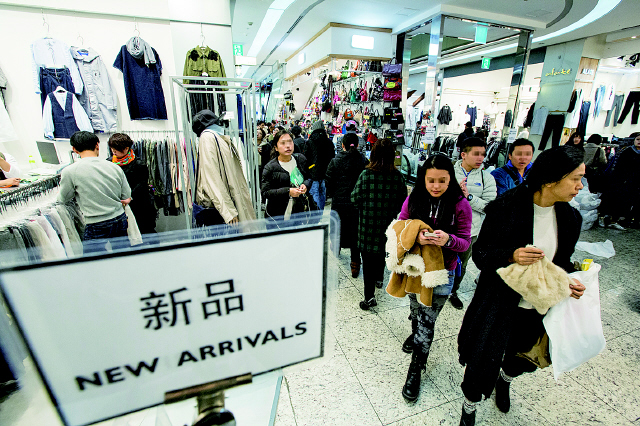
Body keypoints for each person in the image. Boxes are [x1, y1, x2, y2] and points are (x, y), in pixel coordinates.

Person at [457, 145, 586, 426]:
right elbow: (480, 254)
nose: (580, 186)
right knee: (481, 361)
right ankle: (469, 407)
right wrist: (510, 255)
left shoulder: (570, 219)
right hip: (498, 304)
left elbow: (561, 262)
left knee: (522, 356)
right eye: (575, 178)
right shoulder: (506, 208)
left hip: (535, 307)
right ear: (551, 179)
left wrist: (569, 281)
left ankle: (505, 380)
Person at [397, 154, 472, 403]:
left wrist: (448, 240)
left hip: (442, 272)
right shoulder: (414, 197)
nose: (436, 186)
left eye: (442, 180)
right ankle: (416, 337)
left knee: (427, 321)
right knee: (416, 311)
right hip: (415, 268)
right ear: (423, 179)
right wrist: (414, 236)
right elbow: (400, 225)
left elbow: (464, 242)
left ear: (451, 178)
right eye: (431, 180)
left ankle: (416, 367)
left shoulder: (461, 205)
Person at [351, 139, 407, 310]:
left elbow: (354, 199)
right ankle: (380, 279)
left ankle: (369, 298)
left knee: (367, 262)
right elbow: (403, 203)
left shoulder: (366, 175)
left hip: (367, 227)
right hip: (388, 227)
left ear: (373, 154)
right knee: (383, 253)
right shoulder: (398, 177)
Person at [58, 131, 131, 254]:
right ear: (97, 145)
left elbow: (62, 199)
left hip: (96, 222)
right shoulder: (114, 166)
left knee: (94, 262)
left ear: (74, 149)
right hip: (119, 218)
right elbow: (126, 195)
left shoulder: (70, 171)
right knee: (123, 256)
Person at [450, 138, 497, 310]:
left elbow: (489, 207)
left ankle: (453, 291)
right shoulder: (448, 172)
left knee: (461, 263)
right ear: (463, 154)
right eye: (476, 154)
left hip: (469, 232)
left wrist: (469, 197)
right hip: (445, 229)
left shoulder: (487, 178)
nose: (481, 158)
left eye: (483, 154)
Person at [192, 110, 256, 226]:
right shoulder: (207, 137)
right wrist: (228, 211)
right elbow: (212, 177)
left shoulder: (217, 137)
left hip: (228, 201)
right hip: (219, 209)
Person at [326, 133, 368, 278]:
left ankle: (336, 249)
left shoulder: (334, 161)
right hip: (357, 204)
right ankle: (355, 265)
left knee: (337, 229)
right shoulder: (363, 160)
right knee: (355, 233)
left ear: (342, 145)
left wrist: (334, 195)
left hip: (339, 203)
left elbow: (329, 182)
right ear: (357, 145)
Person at [108, 133, 157, 236]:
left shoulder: (139, 164)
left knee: (145, 231)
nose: (114, 152)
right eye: (112, 149)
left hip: (139, 205)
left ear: (126, 148)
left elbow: (142, 185)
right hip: (118, 204)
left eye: (116, 150)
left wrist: (128, 197)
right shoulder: (109, 163)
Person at [261, 130, 312, 223]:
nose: (288, 146)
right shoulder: (270, 167)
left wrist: (305, 185)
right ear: (276, 147)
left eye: (290, 142)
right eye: (283, 143)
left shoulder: (300, 159)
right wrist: (288, 191)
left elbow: (308, 177)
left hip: (298, 212)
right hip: (277, 216)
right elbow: (265, 192)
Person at [600, 132, 640, 229]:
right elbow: (618, 167)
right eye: (638, 139)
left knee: (628, 202)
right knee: (616, 200)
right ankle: (609, 219)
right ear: (634, 140)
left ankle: (619, 220)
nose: (639, 142)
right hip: (622, 181)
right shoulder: (626, 151)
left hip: (635, 183)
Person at [304, 125, 335, 210]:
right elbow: (332, 157)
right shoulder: (329, 142)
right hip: (326, 171)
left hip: (313, 171)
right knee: (322, 193)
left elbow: (306, 157)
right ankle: (320, 213)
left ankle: (315, 216)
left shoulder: (310, 142)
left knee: (315, 194)